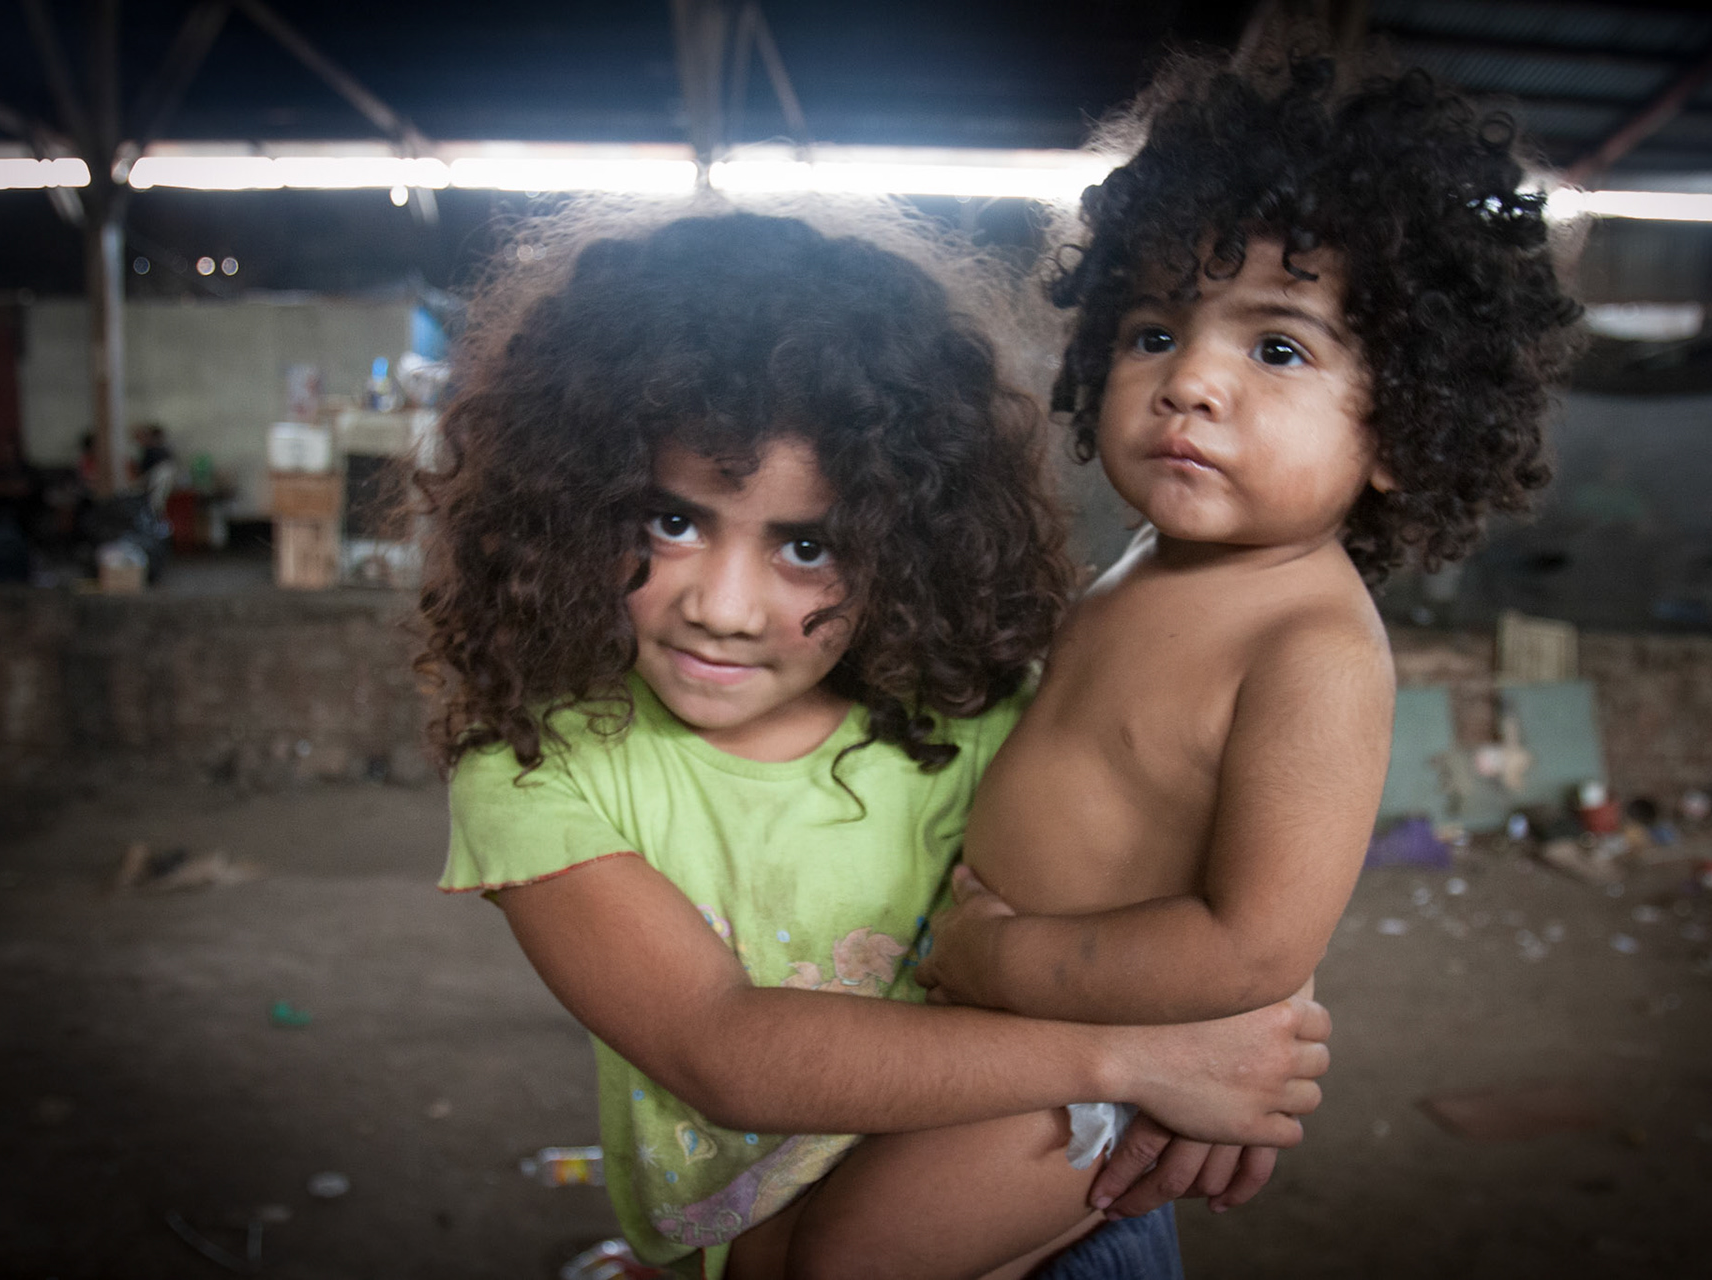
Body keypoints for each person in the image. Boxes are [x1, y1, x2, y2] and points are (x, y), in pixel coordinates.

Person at [781, 50, 1582, 1279]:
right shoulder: (1143, 566)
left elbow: (1257, 944)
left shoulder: (1311, 649)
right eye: (1154, 331)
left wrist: (996, 955)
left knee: (845, 1261)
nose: (1190, 381)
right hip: (999, 1019)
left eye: (1280, 350)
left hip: (1092, 1065)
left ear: (1406, 428)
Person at [423, 210, 1334, 1280]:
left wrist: (1256, 1028)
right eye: (673, 522)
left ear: (909, 543)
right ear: (571, 504)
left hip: (1069, 1224)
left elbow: (1217, 876)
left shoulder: (985, 710)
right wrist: (1143, 1062)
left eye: (807, 545)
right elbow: (720, 1045)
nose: (723, 607)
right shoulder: (535, 769)